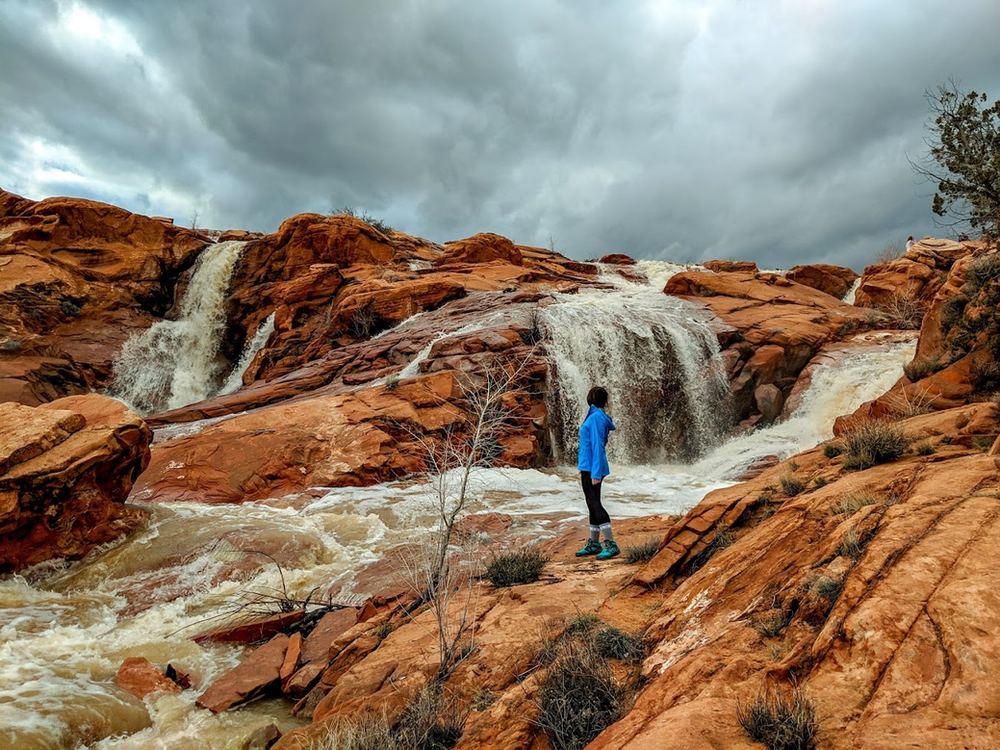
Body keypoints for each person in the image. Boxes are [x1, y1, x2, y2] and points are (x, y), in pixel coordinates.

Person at [575, 386, 619, 560]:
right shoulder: (597, 416)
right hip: (589, 467)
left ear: (590, 398)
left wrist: (595, 472)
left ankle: (610, 544)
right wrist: (583, 466)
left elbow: (597, 446)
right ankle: (594, 543)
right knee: (592, 503)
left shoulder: (595, 418)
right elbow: (589, 446)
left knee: (595, 504)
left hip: (594, 468)